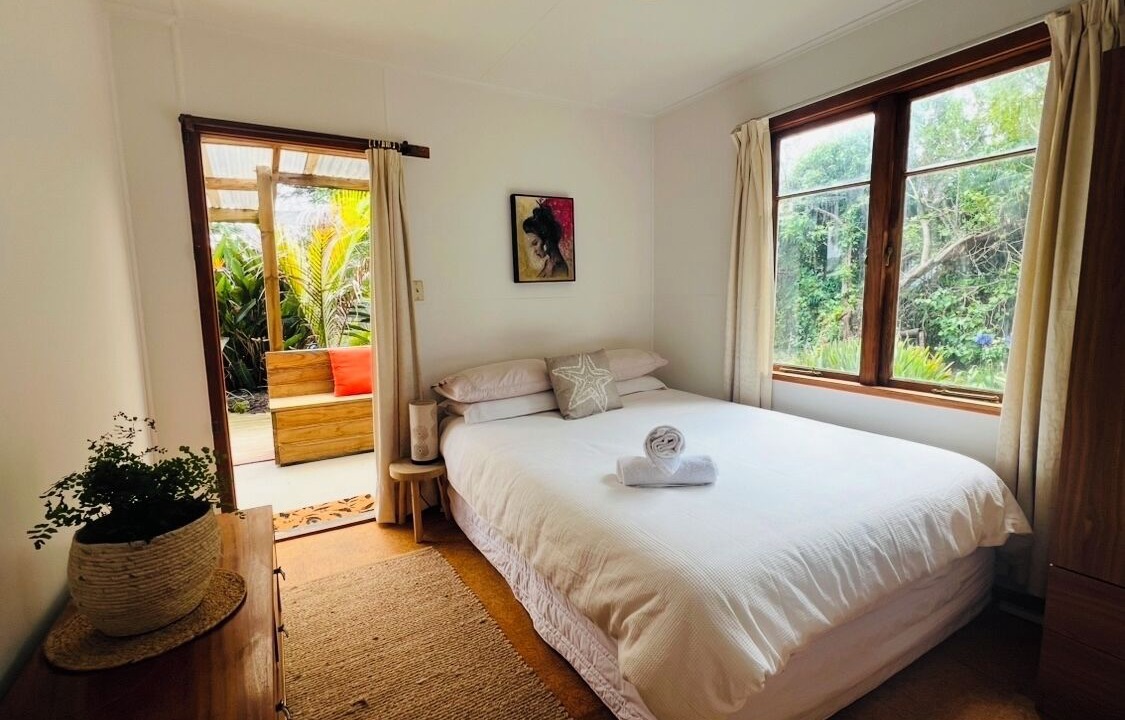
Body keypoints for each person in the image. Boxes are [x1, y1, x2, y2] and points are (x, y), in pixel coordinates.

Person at [522, 204, 569, 279]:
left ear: (546, 240)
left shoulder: (559, 268)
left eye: (535, 243)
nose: (534, 250)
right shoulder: (548, 262)